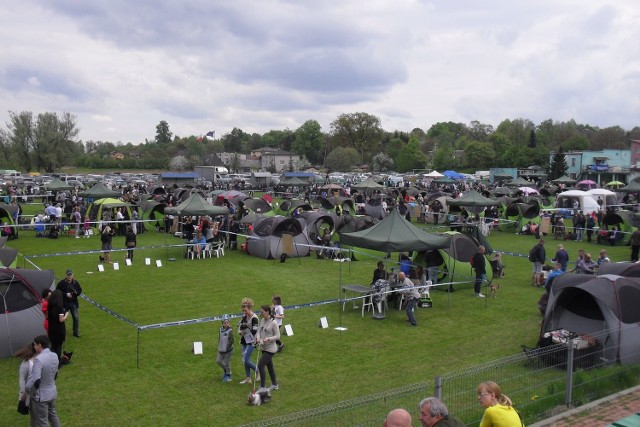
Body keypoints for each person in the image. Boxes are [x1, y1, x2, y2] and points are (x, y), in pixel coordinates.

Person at [26, 335, 62, 427]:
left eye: (35, 345)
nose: (34, 347)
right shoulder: (54, 356)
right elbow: (55, 374)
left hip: (41, 397)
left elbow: (36, 380)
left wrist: (30, 392)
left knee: (42, 422)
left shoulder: (38, 359)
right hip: (52, 392)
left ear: (39, 345)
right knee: (53, 417)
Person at [256, 304, 280, 393]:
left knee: (260, 365)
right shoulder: (262, 320)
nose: (261, 313)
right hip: (263, 347)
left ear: (267, 312)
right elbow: (259, 331)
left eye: (262, 312)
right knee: (270, 367)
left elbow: (278, 336)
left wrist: (269, 339)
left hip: (270, 349)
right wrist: (258, 338)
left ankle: (262, 386)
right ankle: (275, 384)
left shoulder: (273, 323)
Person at [238, 298, 259, 385]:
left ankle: (258, 371)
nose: (244, 312)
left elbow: (254, 331)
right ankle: (248, 378)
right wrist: (240, 331)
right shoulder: (244, 317)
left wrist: (245, 328)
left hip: (251, 341)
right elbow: (239, 326)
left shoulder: (254, 318)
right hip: (244, 341)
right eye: (243, 310)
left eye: (245, 310)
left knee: (246, 359)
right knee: (245, 360)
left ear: (250, 308)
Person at [56, 269, 82, 338]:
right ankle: (61, 332)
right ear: (66, 275)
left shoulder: (75, 283)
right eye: (68, 275)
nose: (69, 276)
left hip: (73, 303)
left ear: (73, 275)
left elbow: (79, 290)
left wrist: (76, 294)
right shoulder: (61, 283)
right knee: (62, 319)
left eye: (70, 275)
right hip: (64, 303)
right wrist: (65, 294)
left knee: (76, 318)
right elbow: (57, 292)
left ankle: (75, 332)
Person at [47, 288, 68, 364]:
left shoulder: (49, 306)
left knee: (53, 346)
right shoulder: (60, 307)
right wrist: (66, 315)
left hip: (51, 328)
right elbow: (61, 319)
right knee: (58, 346)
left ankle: (51, 361)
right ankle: (57, 362)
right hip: (59, 330)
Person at [16, 342, 37, 417]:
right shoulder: (25, 364)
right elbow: (22, 379)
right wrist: (23, 392)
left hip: (38, 391)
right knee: (34, 414)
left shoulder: (39, 359)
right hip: (30, 392)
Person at [217, 314, 234, 383]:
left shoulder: (230, 331)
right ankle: (226, 371)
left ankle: (228, 375)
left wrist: (227, 348)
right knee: (218, 361)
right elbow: (219, 338)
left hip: (228, 351)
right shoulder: (220, 329)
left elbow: (232, 341)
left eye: (227, 322)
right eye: (224, 323)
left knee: (227, 363)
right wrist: (219, 346)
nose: (226, 324)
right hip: (221, 349)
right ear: (222, 323)